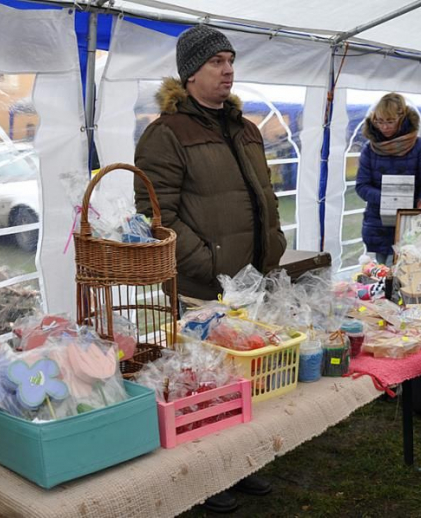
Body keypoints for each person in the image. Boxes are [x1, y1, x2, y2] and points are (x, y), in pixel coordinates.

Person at [134, 25, 285, 514]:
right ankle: (204, 476)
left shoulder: (245, 128)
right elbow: (158, 217)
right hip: (202, 285)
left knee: (245, 380)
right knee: (200, 384)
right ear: (190, 72)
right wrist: (210, 265)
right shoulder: (167, 134)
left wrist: (273, 246)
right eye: (216, 61)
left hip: (251, 282)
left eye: (230, 60)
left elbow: (266, 196)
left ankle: (241, 463)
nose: (228, 69)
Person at [355, 93, 421, 266]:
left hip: (410, 220)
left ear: (402, 118)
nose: (384, 127)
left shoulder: (420, 147)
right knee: (383, 270)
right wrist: (388, 197)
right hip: (377, 222)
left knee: (407, 269)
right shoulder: (369, 149)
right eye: (379, 121)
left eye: (389, 121)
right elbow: (362, 186)